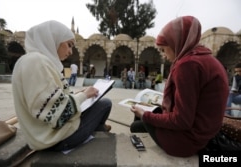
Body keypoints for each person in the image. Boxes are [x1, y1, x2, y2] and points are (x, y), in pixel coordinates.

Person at [129, 16, 229, 157]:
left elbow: (182, 121)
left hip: (189, 140)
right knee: (146, 116)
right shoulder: (206, 58)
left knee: (137, 123)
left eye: (164, 50)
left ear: (176, 43)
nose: (164, 56)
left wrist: (145, 115)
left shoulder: (187, 65)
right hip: (206, 133)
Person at [12, 20, 112, 152]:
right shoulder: (36, 62)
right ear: (53, 40)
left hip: (46, 137)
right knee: (104, 104)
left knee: (97, 104)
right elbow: (59, 115)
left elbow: (52, 100)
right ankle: (96, 134)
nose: (71, 52)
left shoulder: (33, 60)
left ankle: (96, 131)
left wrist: (79, 94)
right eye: (69, 45)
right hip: (54, 139)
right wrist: (84, 95)